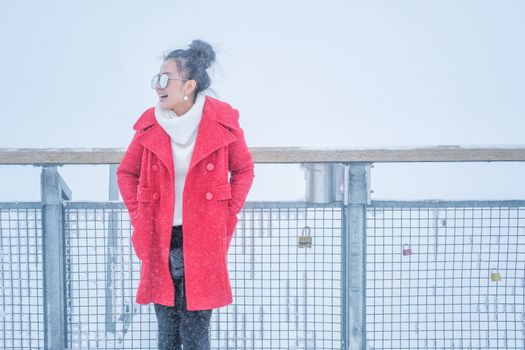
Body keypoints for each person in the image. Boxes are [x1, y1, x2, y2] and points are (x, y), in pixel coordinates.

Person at [116, 39, 255, 350]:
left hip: (203, 235)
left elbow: (244, 170)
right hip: (159, 235)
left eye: (165, 79)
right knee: (167, 333)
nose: (158, 86)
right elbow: (126, 172)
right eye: (156, 79)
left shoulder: (222, 120)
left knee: (195, 334)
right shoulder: (151, 124)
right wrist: (139, 214)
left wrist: (227, 212)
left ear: (189, 85)